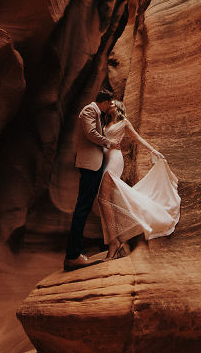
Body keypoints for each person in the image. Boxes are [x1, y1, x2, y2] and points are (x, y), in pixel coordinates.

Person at [98, 100, 180, 260]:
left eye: (113, 103)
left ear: (119, 107)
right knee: (107, 200)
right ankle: (116, 242)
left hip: (114, 160)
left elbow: (138, 138)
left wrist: (154, 151)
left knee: (103, 199)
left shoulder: (124, 123)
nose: (111, 105)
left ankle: (114, 244)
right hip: (105, 160)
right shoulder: (105, 123)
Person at [64, 90, 121, 271]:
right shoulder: (90, 110)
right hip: (90, 166)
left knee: (85, 207)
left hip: (94, 165)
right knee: (82, 209)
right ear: (104, 102)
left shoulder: (97, 113)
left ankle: (75, 254)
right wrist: (109, 143)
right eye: (109, 104)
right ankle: (72, 256)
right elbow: (90, 133)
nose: (108, 108)